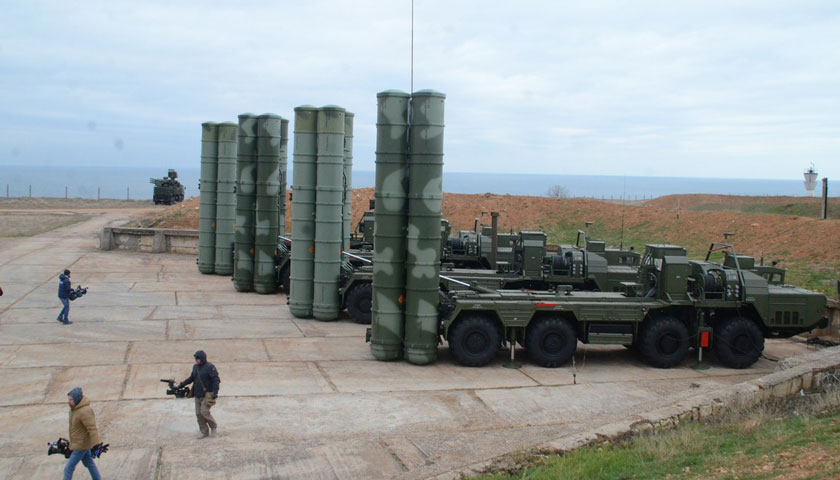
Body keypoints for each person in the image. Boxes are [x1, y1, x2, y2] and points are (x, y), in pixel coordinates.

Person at [175, 350, 220, 438]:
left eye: (198, 358)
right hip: (197, 394)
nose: (196, 360)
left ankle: (213, 427)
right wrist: (181, 385)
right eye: (196, 359)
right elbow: (191, 378)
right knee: (198, 414)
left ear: (202, 359)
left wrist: (215, 392)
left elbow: (216, 380)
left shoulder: (210, 367)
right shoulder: (195, 367)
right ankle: (204, 432)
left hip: (207, 394)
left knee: (204, 412)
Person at [64, 387, 101, 480]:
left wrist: (96, 444)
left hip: (81, 446)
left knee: (68, 468)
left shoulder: (84, 411)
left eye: (71, 400)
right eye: (69, 399)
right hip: (79, 443)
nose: (69, 402)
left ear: (77, 399)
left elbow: (92, 428)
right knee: (89, 464)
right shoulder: (74, 409)